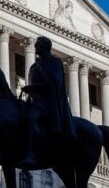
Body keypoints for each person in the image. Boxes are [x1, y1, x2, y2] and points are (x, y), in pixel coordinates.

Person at [18, 36, 76, 169]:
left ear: (45, 46)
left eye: (38, 45)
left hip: (48, 104)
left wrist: (33, 88)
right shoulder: (36, 64)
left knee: (31, 117)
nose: (35, 47)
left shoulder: (54, 62)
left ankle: (32, 153)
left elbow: (55, 83)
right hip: (34, 101)